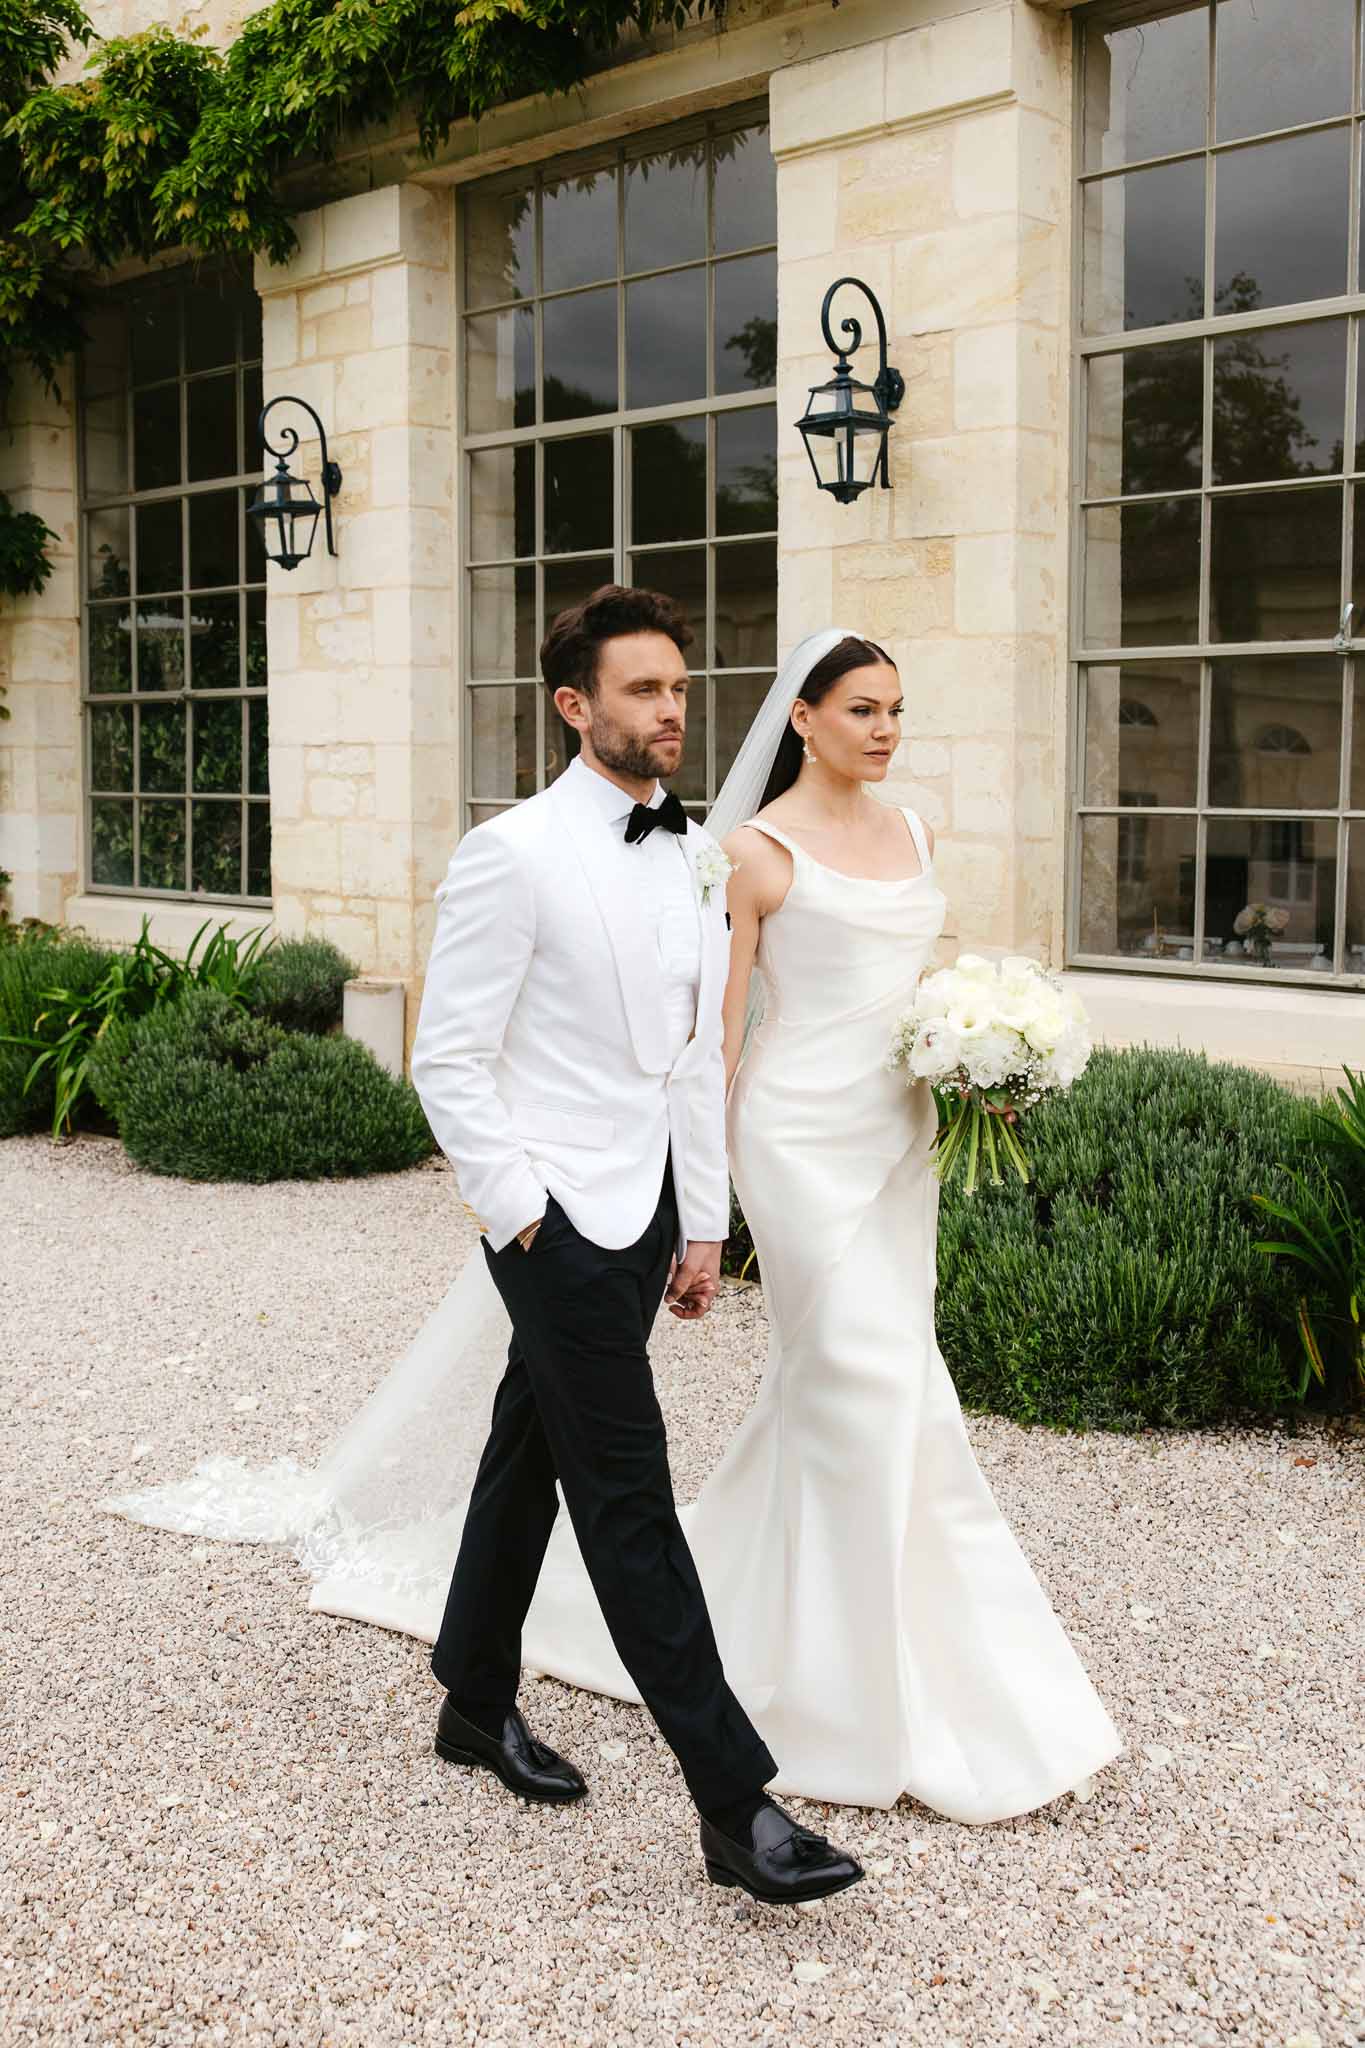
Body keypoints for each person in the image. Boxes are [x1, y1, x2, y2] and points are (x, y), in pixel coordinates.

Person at [99, 617, 1123, 1836]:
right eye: (645, 689)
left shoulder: (695, 851)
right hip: (557, 1223)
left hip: (652, 1213)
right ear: (575, 706)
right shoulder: (511, 852)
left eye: (681, 687)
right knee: (627, 1488)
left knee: (528, 1447)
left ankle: (473, 1696)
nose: (673, 708)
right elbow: (450, 1058)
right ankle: (737, 1801)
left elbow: (698, 1053)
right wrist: (527, 1219)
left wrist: (701, 1222)